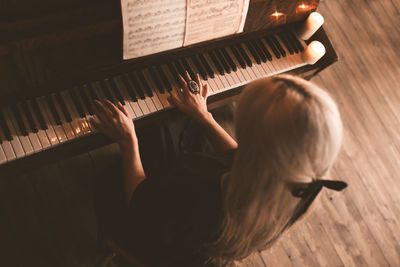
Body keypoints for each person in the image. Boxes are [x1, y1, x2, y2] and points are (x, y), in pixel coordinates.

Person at [92, 73, 347, 267]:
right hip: (198, 233)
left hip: (153, 233)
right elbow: (241, 155)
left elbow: (140, 203)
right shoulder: (302, 185)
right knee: (172, 130)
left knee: (114, 170)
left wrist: (128, 140)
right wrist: (204, 116)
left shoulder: (200, 187)